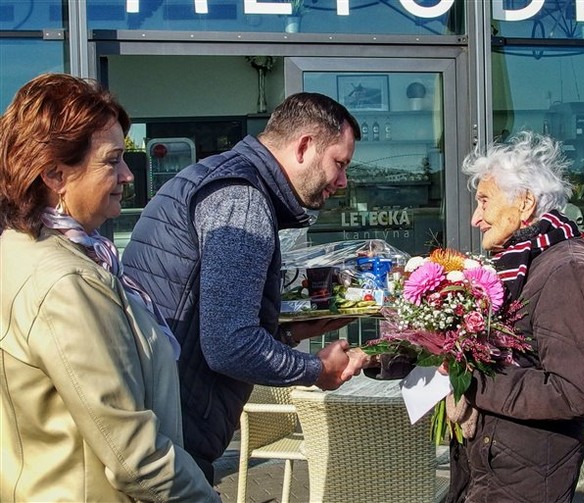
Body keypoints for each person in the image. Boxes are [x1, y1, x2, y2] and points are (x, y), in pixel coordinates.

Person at [122, 92, 369, 482]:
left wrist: (286, 332)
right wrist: (316, 370)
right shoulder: (242, 199)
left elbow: (209, 324)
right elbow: (229, 345)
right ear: (304, 146)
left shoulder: (217, 178)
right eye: (339, 164)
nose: (342, 182)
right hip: (171, 440)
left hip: (157, 422)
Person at [0, 74, 218, 501]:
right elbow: (135, 457)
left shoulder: (24, 250)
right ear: (54, 174)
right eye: (112, 160)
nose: (127, 176)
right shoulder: (66, 281)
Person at [445, 131, 584, 503]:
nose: (476, 218)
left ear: (524, 203)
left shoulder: (567, 270)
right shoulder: (523, 262)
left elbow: (575, 392)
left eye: (484, 201)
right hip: (495, 464)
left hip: (526, 475)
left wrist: (471, 382)